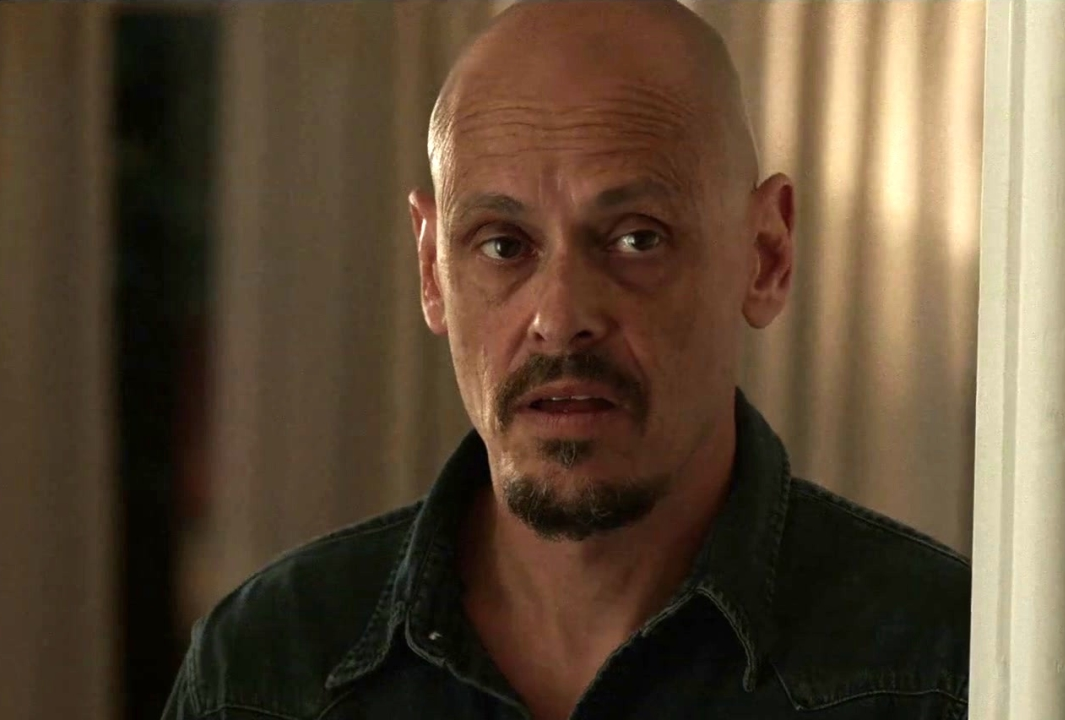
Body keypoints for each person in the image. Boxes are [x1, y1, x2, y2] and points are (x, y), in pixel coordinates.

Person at [162, 1, 971, 718]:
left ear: (766, 256)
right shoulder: (265, 674)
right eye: (503, 245)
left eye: (637, 240)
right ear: (432, 272)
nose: (559, 319)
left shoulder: (942, 669)